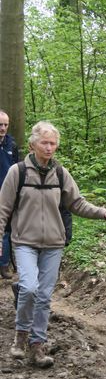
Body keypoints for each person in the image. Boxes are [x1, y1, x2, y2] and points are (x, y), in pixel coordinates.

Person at [0, 121, 106, 368]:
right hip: (24, 241)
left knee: (44, 296)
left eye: (53, 143)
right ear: (33, 144)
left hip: (54, 244)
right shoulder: (18, 172)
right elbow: (3, 209)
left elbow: (77, 203)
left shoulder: (60, 173)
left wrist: (103, 213)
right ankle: (20, 336)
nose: (49, 147)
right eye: (44, 142)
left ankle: (37, 345)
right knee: (29, 288)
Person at [0, 110, 20, 279]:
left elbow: (18, 169)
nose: (3, 128)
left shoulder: (11, 145)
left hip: (7, 194)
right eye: (0, 124)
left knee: (6, 230)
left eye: (6, 125)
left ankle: (4, 265)